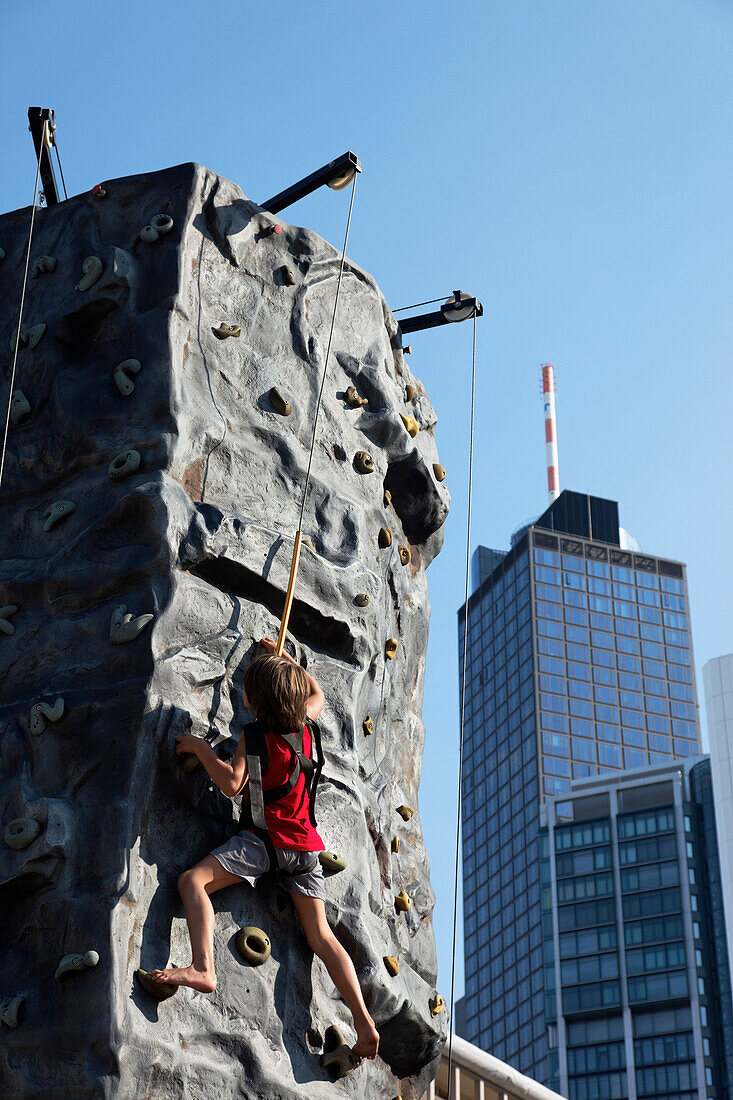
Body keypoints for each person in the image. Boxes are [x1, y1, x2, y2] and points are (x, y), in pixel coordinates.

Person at [147, 638, 379, 1060]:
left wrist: (200, 747)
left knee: (192, 881)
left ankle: (202, 966)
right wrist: (284, 658)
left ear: (253, 703)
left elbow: (232, 784)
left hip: (262, 843)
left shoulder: (254, 739)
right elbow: (317, 694)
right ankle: (364, 1023)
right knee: (322, 937)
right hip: (306, 850)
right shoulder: (309, 726)